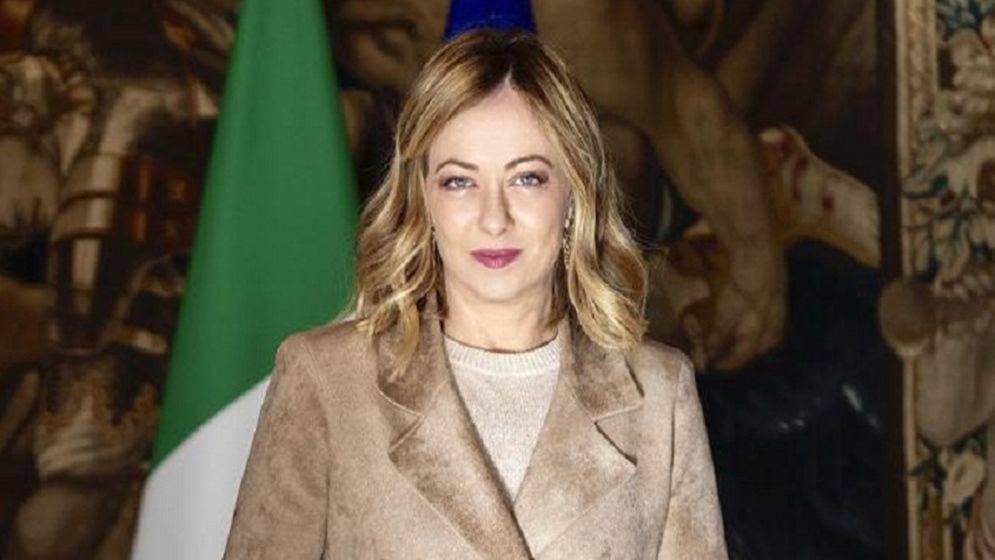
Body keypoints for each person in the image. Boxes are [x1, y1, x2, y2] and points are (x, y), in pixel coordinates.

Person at [223, 29, 726, 559]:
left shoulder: (660, 393)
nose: (494, 218)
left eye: (527, 178)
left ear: (574, 196)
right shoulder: (326, 381)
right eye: (459, 182)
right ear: (422, 200)